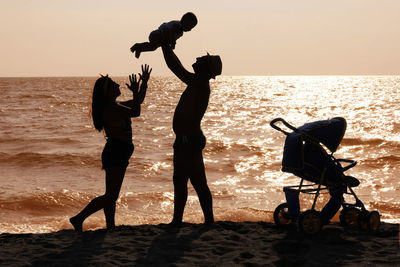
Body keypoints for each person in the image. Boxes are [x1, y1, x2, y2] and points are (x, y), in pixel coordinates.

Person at [69, 64, 152, 232]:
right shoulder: (112, 108)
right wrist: (135, 90)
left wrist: (144, 83)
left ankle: (110, 226)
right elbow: (136, 111)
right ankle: (78, 218)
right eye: (114, 84)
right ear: (108, 92)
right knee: (111, 195)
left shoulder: (115, 106)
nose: (118, 85)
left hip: (118, 152)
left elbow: (138, 102)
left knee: (111, 195)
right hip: (116, 152)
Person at [160, 43, 222, 226]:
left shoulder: (200, 83)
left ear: (205, 68)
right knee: (188, 181)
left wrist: (165, 45)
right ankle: (186, 220)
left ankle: (194, 220)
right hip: (187, 140)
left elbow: (176, 68)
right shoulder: (198, 82)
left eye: (201, 60)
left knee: (191, 181)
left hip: (189, 140)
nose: (196, 59)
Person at [130, 12, 197, 59]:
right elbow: (170, 32)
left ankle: (139, 48)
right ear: (185, 21)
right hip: (157, 35)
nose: (190, 29)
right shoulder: (177, 26)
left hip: (159, 38)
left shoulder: (180, 32)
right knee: (153, 46)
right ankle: (138, 46)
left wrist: (172, 43)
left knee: (152, 47)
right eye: (190, 26)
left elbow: (173, 38)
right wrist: (172, 43)